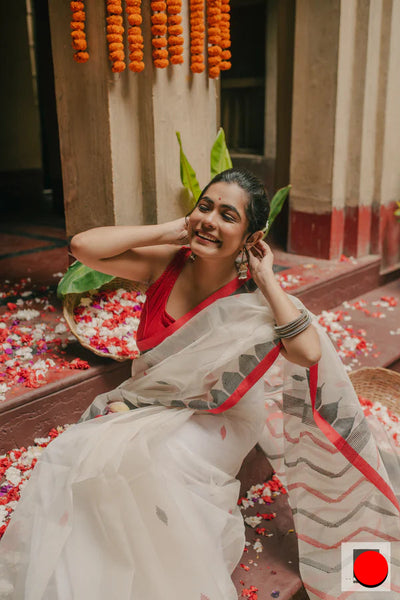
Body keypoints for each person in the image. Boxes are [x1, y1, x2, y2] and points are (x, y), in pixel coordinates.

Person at [0, 168, 399, 600]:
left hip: (218, 415)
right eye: (205, 207)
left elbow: (307, 351)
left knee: (152, 460)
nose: (210, 220)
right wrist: (178, 228)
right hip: (150, 402)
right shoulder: (164, 266)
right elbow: (82, 247)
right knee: (72, 454)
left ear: (251, 237)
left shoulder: (251, 295)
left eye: (228, 215)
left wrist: (267, 279)